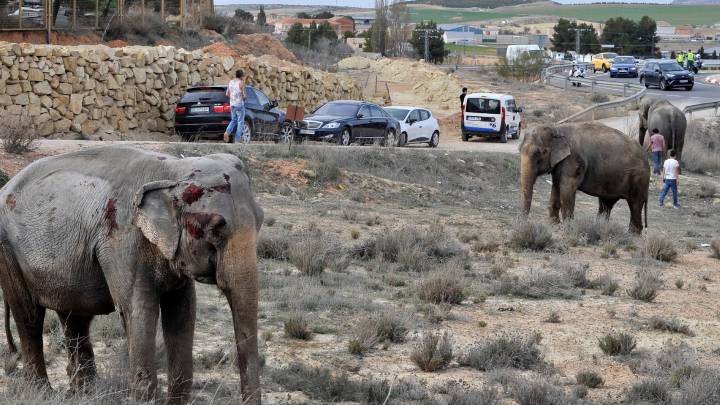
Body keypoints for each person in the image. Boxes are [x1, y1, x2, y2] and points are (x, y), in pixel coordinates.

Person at [223, 69, 247, 143]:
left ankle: (227, 132)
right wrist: (244, 96)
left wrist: (233, 97)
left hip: (232, 104)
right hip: (239, 104)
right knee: (240, 122)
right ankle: (238, 139)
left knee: (233, 120)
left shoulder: (231, 82)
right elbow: (244, 95)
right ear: (242, 76)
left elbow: (227, 94)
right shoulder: (241, 83)